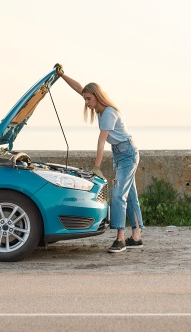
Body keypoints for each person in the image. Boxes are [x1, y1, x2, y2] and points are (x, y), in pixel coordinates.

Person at [55, 63, 144, 253]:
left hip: (127, 154)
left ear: (97, 96)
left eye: (88, 99)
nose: (86, 102)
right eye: (85, 99)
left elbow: (101, 142)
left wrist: (96, 166)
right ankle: (136, 237)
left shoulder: (110, 113)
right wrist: (62, 75)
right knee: (131, 196)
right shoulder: (99, 109)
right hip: (121, 154)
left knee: (118, 194)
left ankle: (120, 239)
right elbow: (79, 88)